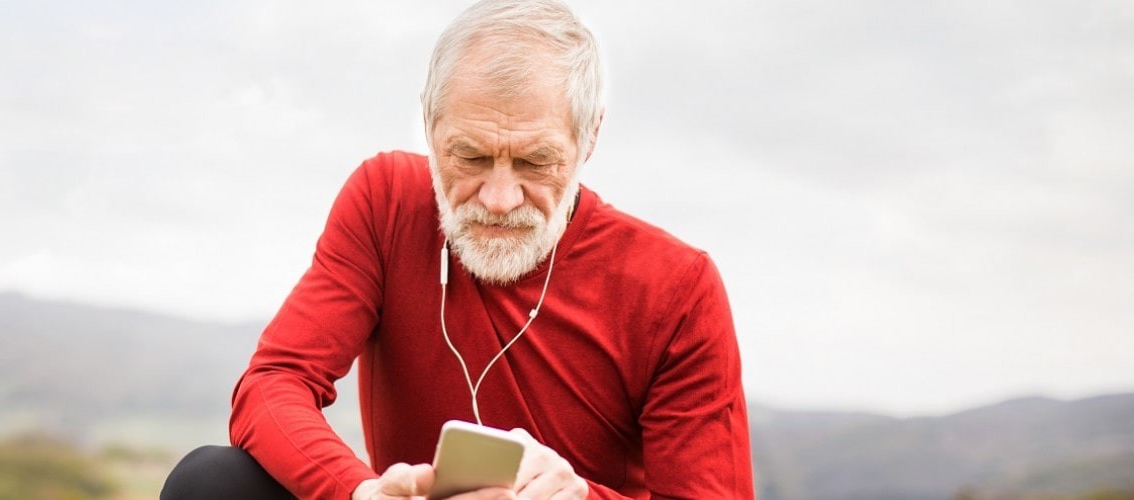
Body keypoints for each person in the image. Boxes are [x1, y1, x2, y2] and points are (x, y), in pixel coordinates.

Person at [160, 0, 753, 498]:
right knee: (212, 480)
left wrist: (581, 497)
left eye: (535, 162)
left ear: (589, 135)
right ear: (427, 121)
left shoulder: (677, 286)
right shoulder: (386, 200)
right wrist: (357, 491)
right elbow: (274, 382)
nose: (498, 198)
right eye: (468, 156)